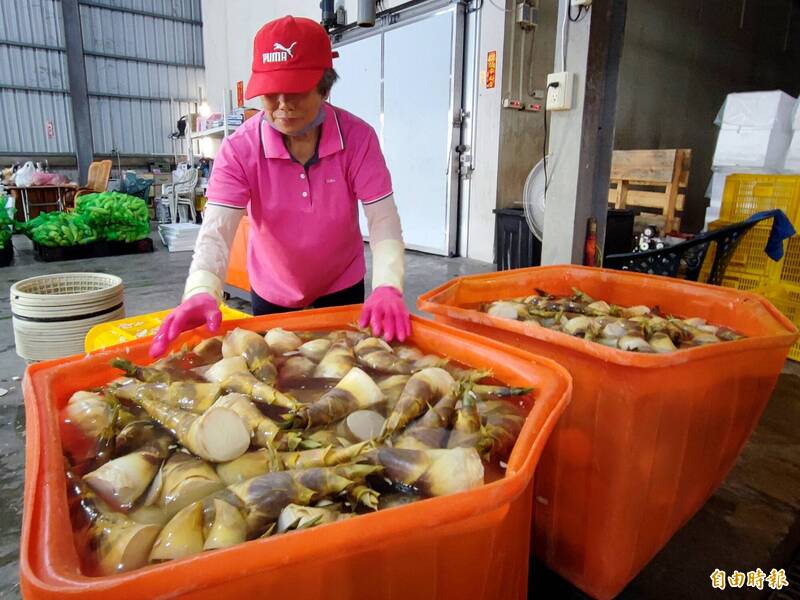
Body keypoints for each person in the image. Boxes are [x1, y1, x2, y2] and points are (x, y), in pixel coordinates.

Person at [150, 15, 410, 358]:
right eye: (271, 93)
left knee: (342, 367)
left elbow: (382, 218)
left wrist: (388, 285)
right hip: (274, 289)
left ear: (325, 86)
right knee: (279, 375)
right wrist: (201, 289)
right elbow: (216, 231)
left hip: (341, 282)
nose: (284, 104)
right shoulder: (240, 149)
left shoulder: (357, 139)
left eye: (297, 91)